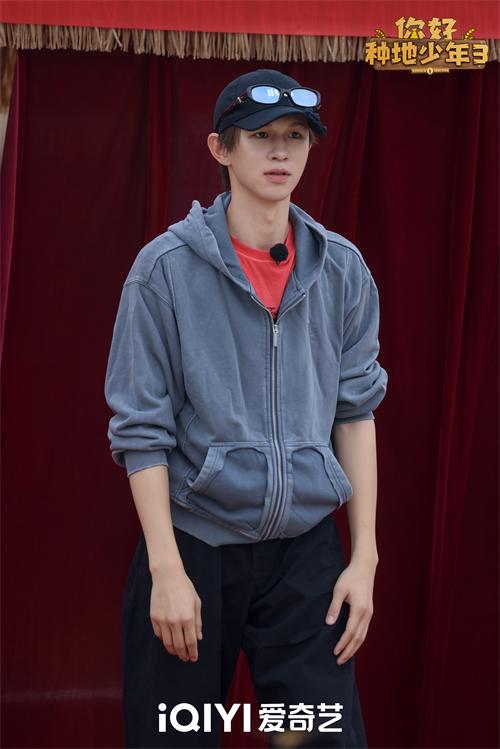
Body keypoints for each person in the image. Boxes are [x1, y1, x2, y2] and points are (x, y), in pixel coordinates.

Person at [104, 68, 388, 749]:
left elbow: (355, 412)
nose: (280, 151)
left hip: (305, 559)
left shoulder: (341, 270)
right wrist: (167, 570)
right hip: (196, 547)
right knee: (177, 733)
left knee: (316, 734)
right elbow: (141, 431)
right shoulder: (164, 271)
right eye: (260, 136)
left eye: (295, 136)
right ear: (220, 148)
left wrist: (364, 558)